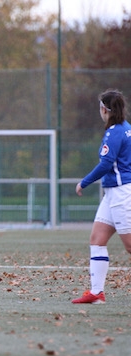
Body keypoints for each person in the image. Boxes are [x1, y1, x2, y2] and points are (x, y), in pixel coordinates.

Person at [73, 89, 131, 304]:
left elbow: (106, 164)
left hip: (121, 194)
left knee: (129, 246)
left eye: (100, 107)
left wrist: (84, 182)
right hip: (114, 194)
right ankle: (97, 292)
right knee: (97, 240)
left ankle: (97, 292)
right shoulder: (126, 129)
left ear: (105, 109)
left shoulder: (114, 132)